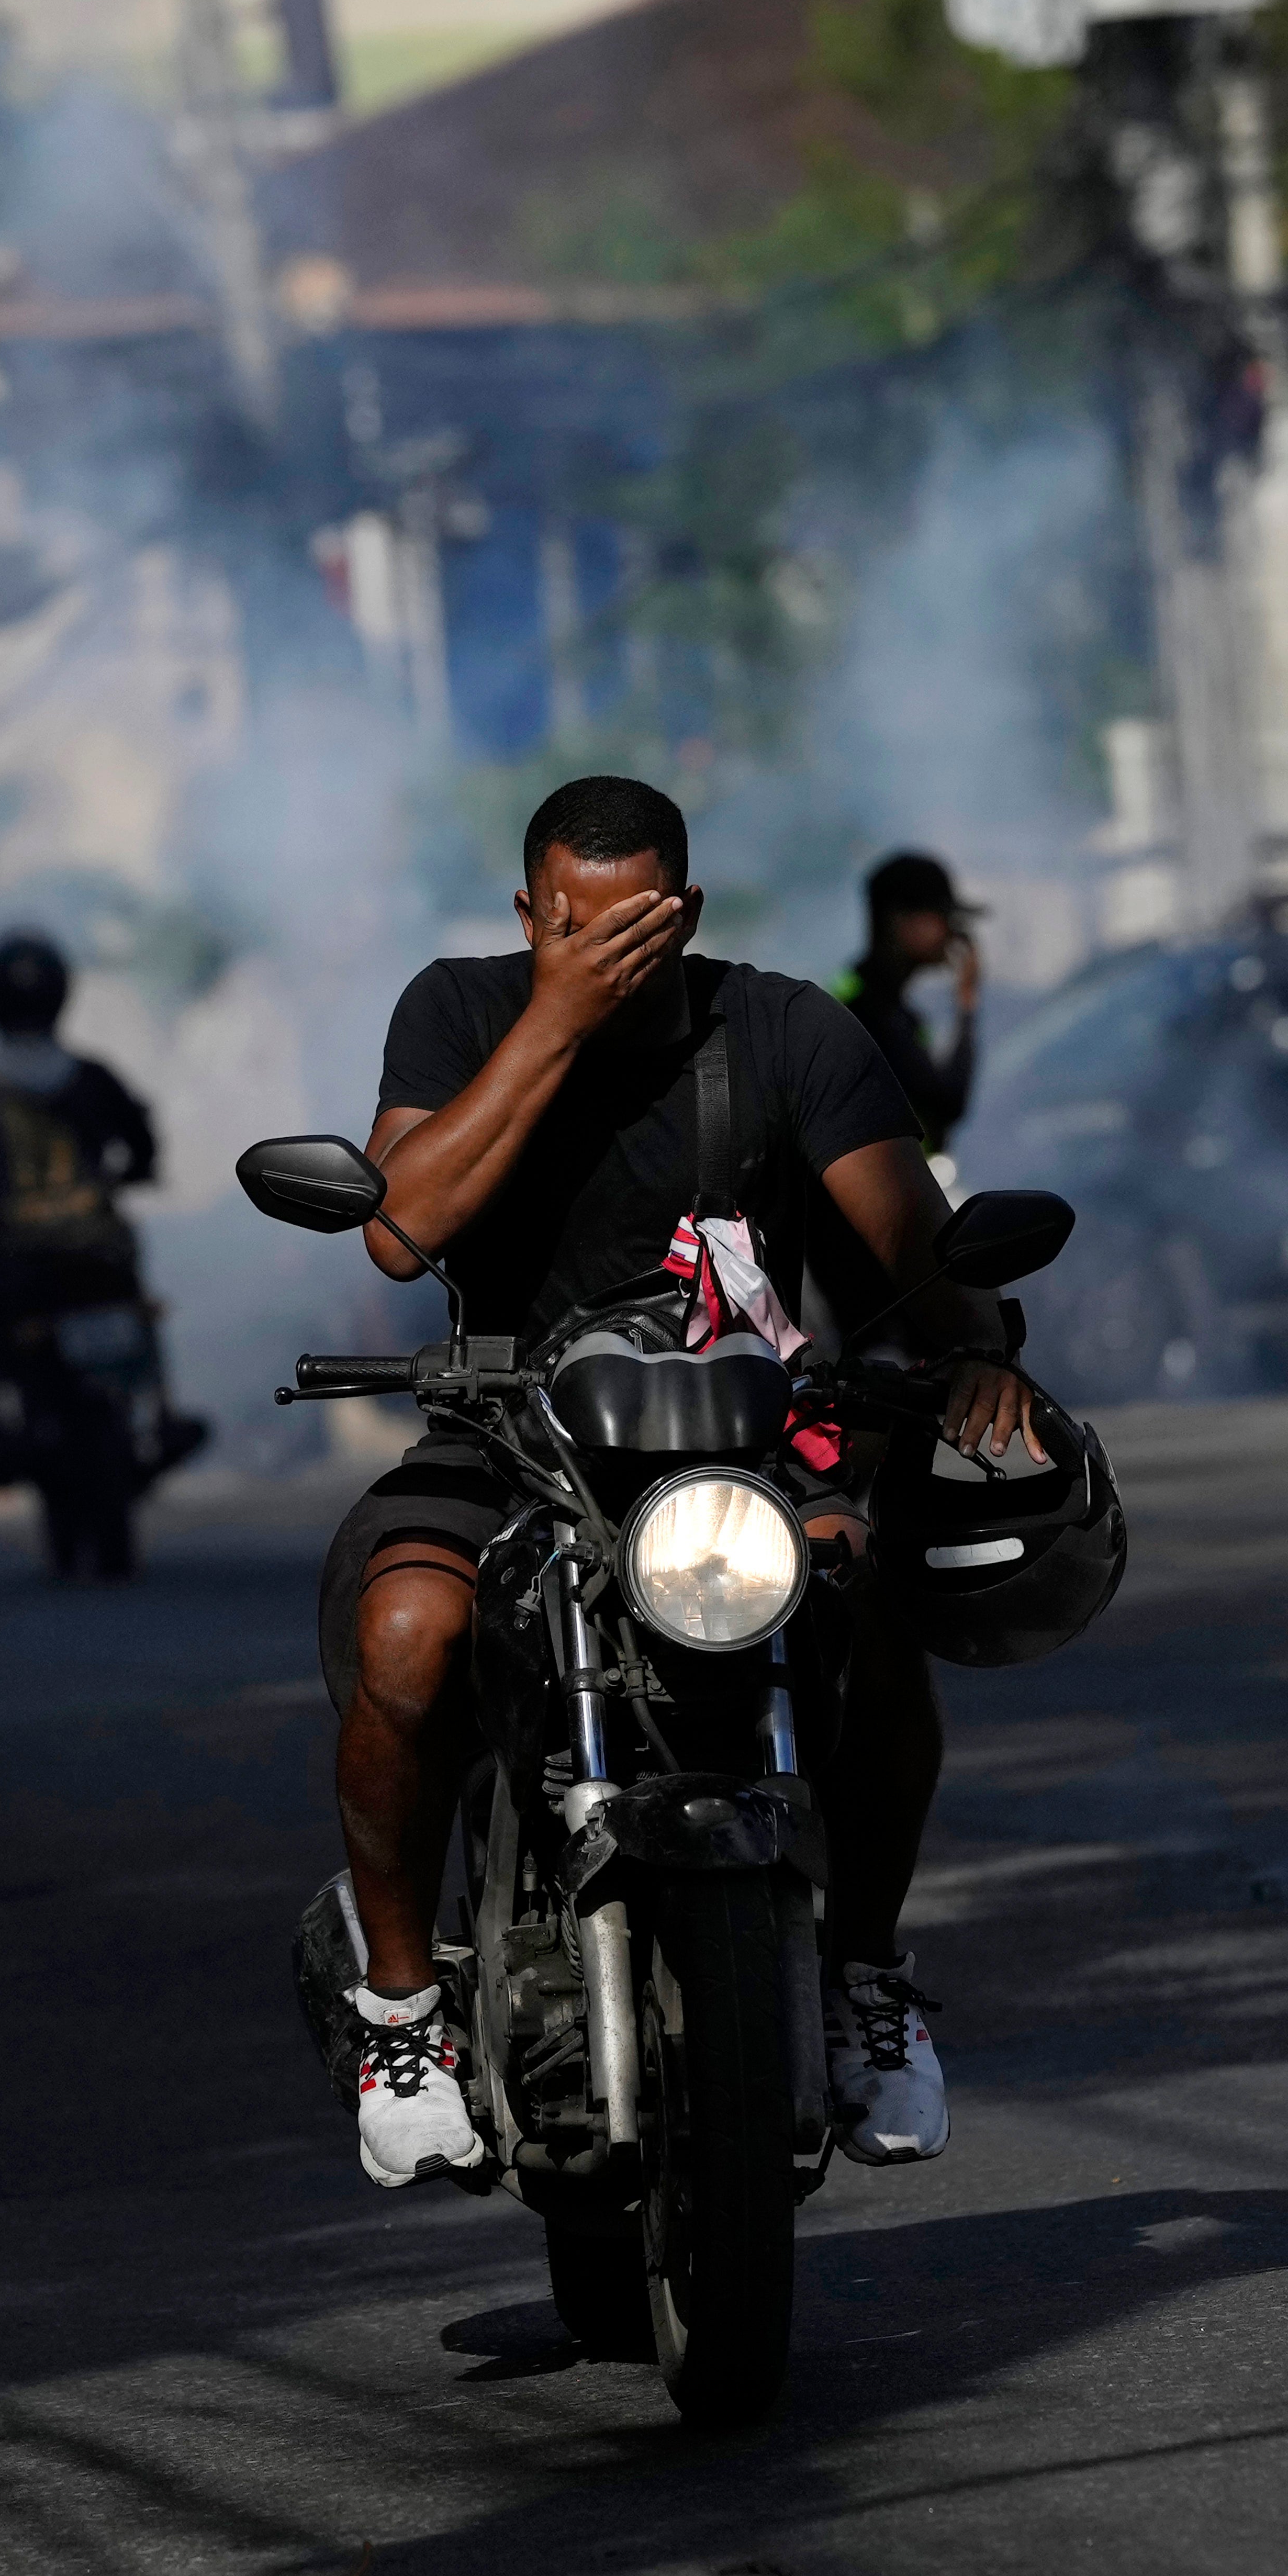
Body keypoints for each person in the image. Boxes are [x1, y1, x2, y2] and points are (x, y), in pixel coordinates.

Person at [320, 775, 1040, 2191]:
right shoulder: (463, 1011)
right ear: (530, 915)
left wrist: (976, 1343)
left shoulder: (782, 1029)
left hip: (741, 1446)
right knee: (408, 1638)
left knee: (868, 1620)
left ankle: (862, 1976)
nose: (607, 951)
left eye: (637, 923)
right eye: (574, 926)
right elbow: (402, 1229)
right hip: (508, 1433)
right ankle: (401, 2014)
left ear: (688, 908)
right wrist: (558, 1021)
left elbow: (907, 1224)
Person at [0, 931, 201, 1485]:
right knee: (136, 1302)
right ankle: (163, 1414)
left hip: (16, 1261)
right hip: (98, 1248)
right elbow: (140, 1141)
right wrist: (134, 1172)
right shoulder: (91, 1074)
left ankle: (1, 1425)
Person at [831, 849, 982, 1160]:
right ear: (900, 922)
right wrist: (967, 1004)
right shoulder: (867, 1011)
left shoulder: (888, 1009)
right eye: (942, 917)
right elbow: (947, 1103)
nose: (954, 933)